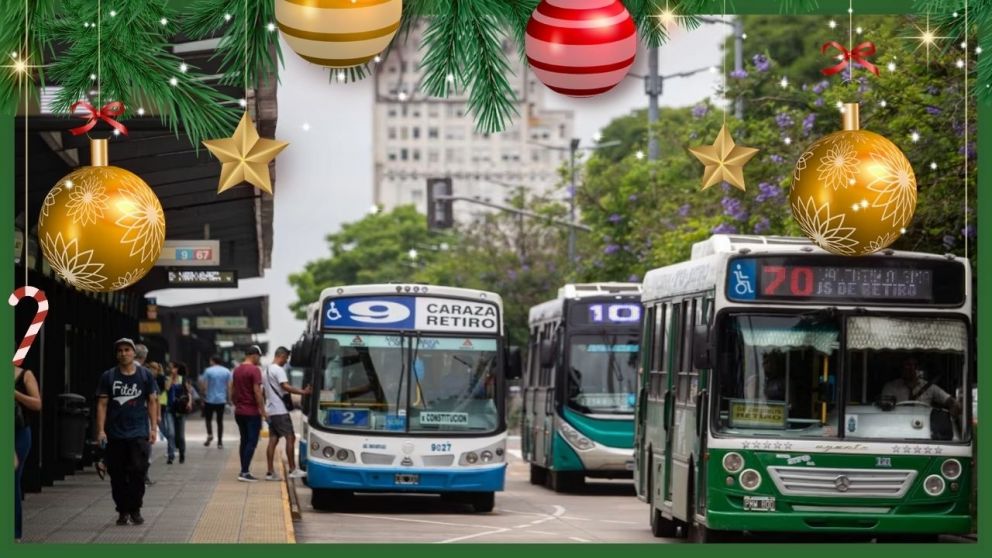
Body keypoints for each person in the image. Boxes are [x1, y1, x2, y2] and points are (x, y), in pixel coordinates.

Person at [95, 338, 158, 526]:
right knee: (117, 474)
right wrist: (100, 431)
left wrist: (153, 428)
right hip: (115, 433)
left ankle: (135, 508)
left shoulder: (145, 375)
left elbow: (153, 401)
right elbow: (102, 404)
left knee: (139, 471)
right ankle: (122, 510)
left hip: (139, 432)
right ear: (117, 354)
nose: (123, 353)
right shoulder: (109, 376)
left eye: (127, 350)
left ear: (133, 353)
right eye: (120, 350)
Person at [262, 347, 312, 481]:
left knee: (273, 440)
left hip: (271, 410)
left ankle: (270, 472)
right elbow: (285, 387)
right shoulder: (278, 370)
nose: (286, 361)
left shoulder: (265, 370)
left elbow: (263, 392)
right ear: (281, 356)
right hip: (280, 411)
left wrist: (265, 410)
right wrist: (303, 392)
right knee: (290, 438)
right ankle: (292, 469)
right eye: (286, 358)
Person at [14, 365, 41, 542]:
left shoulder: (24, 375)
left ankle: (14, 532)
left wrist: (15, 393)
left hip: (18, 433)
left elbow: (37, 404)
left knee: (12, 479)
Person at [232, 345, 267, 482]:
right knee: (252, 442)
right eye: (259, 356)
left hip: (239, 411)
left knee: (244, 440)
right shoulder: (255, 370)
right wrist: (263, 411)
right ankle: (244, 472)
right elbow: (257, 392)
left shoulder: (237, 370)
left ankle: (244, 470)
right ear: (254, 355)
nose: (259, 359)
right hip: (251, 411)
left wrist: (236, 403)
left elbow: (232, 390)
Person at [881, 357, 961, 413]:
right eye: (908, 365)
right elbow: (884, 408)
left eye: (914, 365)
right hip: (898, 426)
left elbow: (950, 401)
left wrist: (954, 405)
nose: (911, 368)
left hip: (923, 426)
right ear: (901, 367)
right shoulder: (890, 387)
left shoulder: (929, 387)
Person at [200, 355, 232, 448]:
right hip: (221, 400)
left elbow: (203, 384)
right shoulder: (226, 371)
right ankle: (220, 442)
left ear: (213, 361)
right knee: (220, 421)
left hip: (209, 399)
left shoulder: (208, 370)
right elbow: (229, 386)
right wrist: (229, 399)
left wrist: (202, 395)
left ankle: (210, 434)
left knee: (208, 419)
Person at [164, 363, 193, 464]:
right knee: (171, 433)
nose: (172, 370)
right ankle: (171, 455)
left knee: (180, 435)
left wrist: (189, 402)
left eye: (174, 368)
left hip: (180, 409)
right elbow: (167, 388)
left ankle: (182, 453)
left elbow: (189, 392)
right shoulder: (168, 379)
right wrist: (172, 378)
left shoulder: (183, 379)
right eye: (171, 368)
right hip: (169, 409)